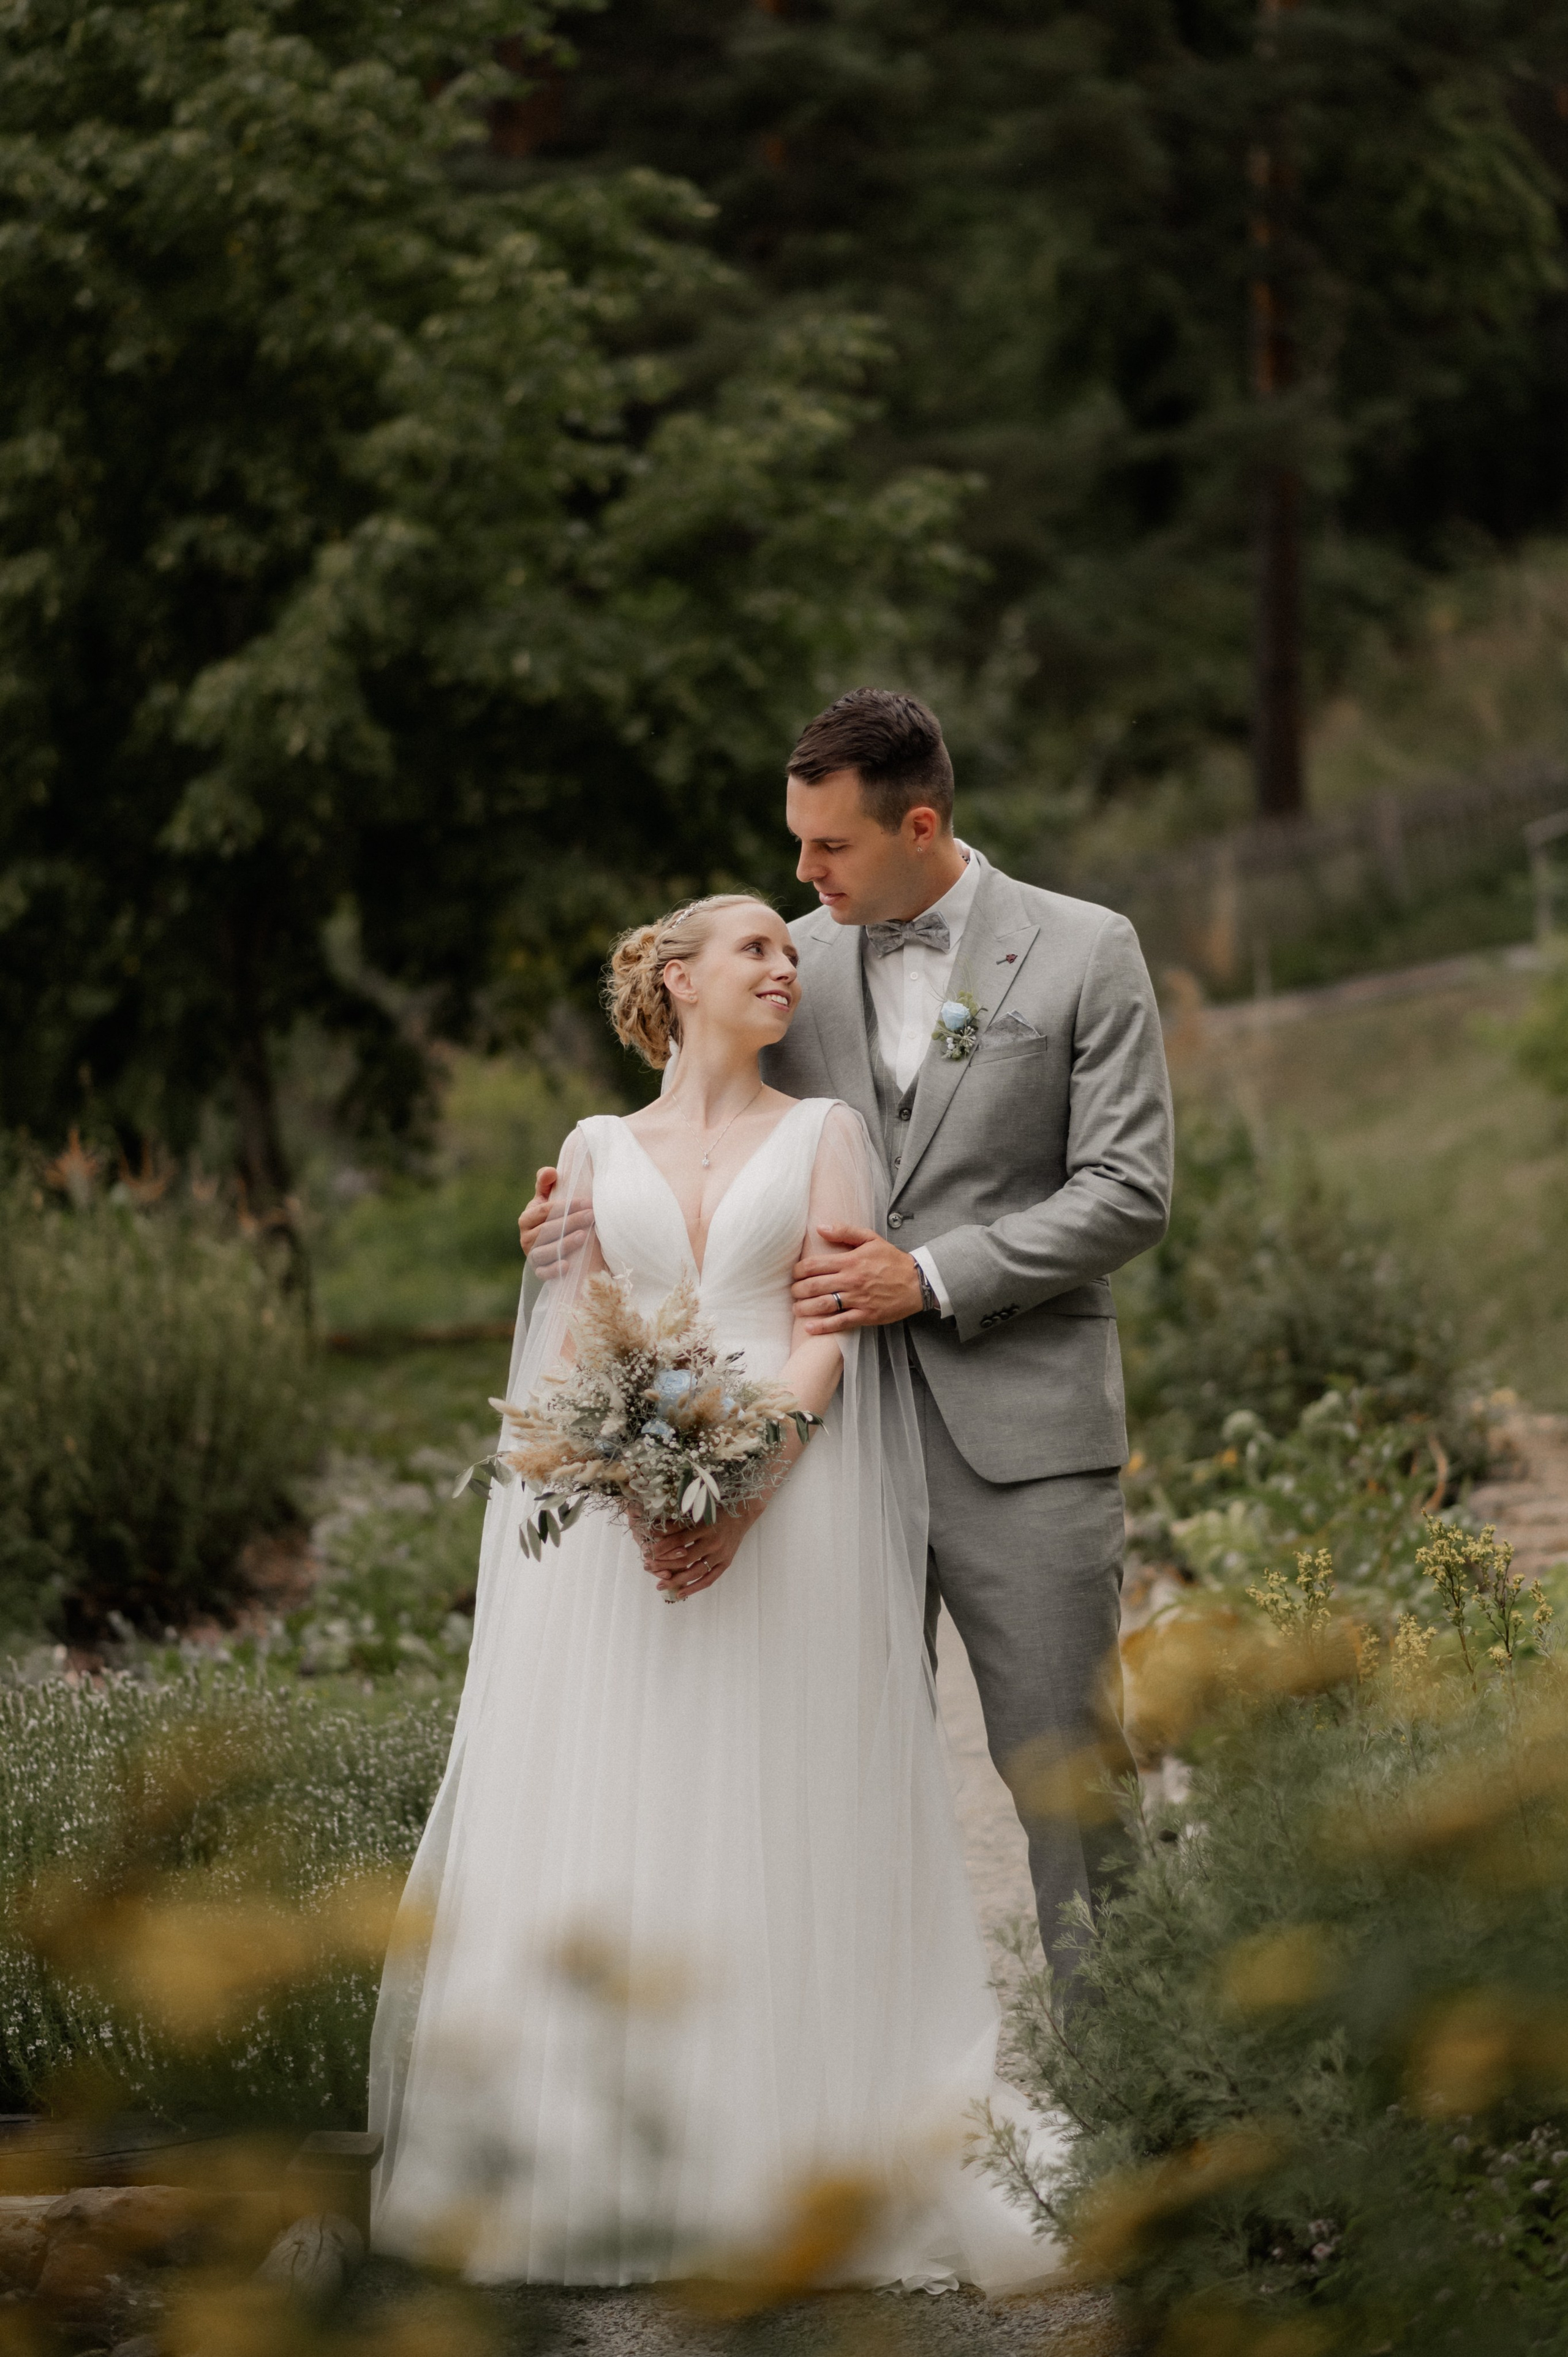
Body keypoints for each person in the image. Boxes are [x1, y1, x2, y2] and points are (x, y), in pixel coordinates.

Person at [369, 895, 1058, 2291]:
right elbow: (575, 1338)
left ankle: (789, 2154)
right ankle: (594, 2162)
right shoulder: (590, 1149)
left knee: (782, 1797)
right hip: (623, 1531)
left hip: (790, 1502)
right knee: (619, 1797)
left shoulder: (825, 1135)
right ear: (675, 979)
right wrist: (627, 1478)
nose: (783, 965)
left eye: (790, 952)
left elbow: (826, 1329)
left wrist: (745, 1487)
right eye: (755, 948)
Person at [522, 692, 1174, 1983]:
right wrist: (576, 1212)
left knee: (1067, 1770)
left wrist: (923, 1275)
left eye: (830, 846)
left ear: (917, 825)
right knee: (822, 1774)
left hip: (1022, 1441)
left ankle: (1136, 2075)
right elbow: (694, 1140)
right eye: (797, 842)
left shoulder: (1085, 950)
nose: (804, 871)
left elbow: (1126, 1190)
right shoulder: (785, 962)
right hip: (811, 1453)